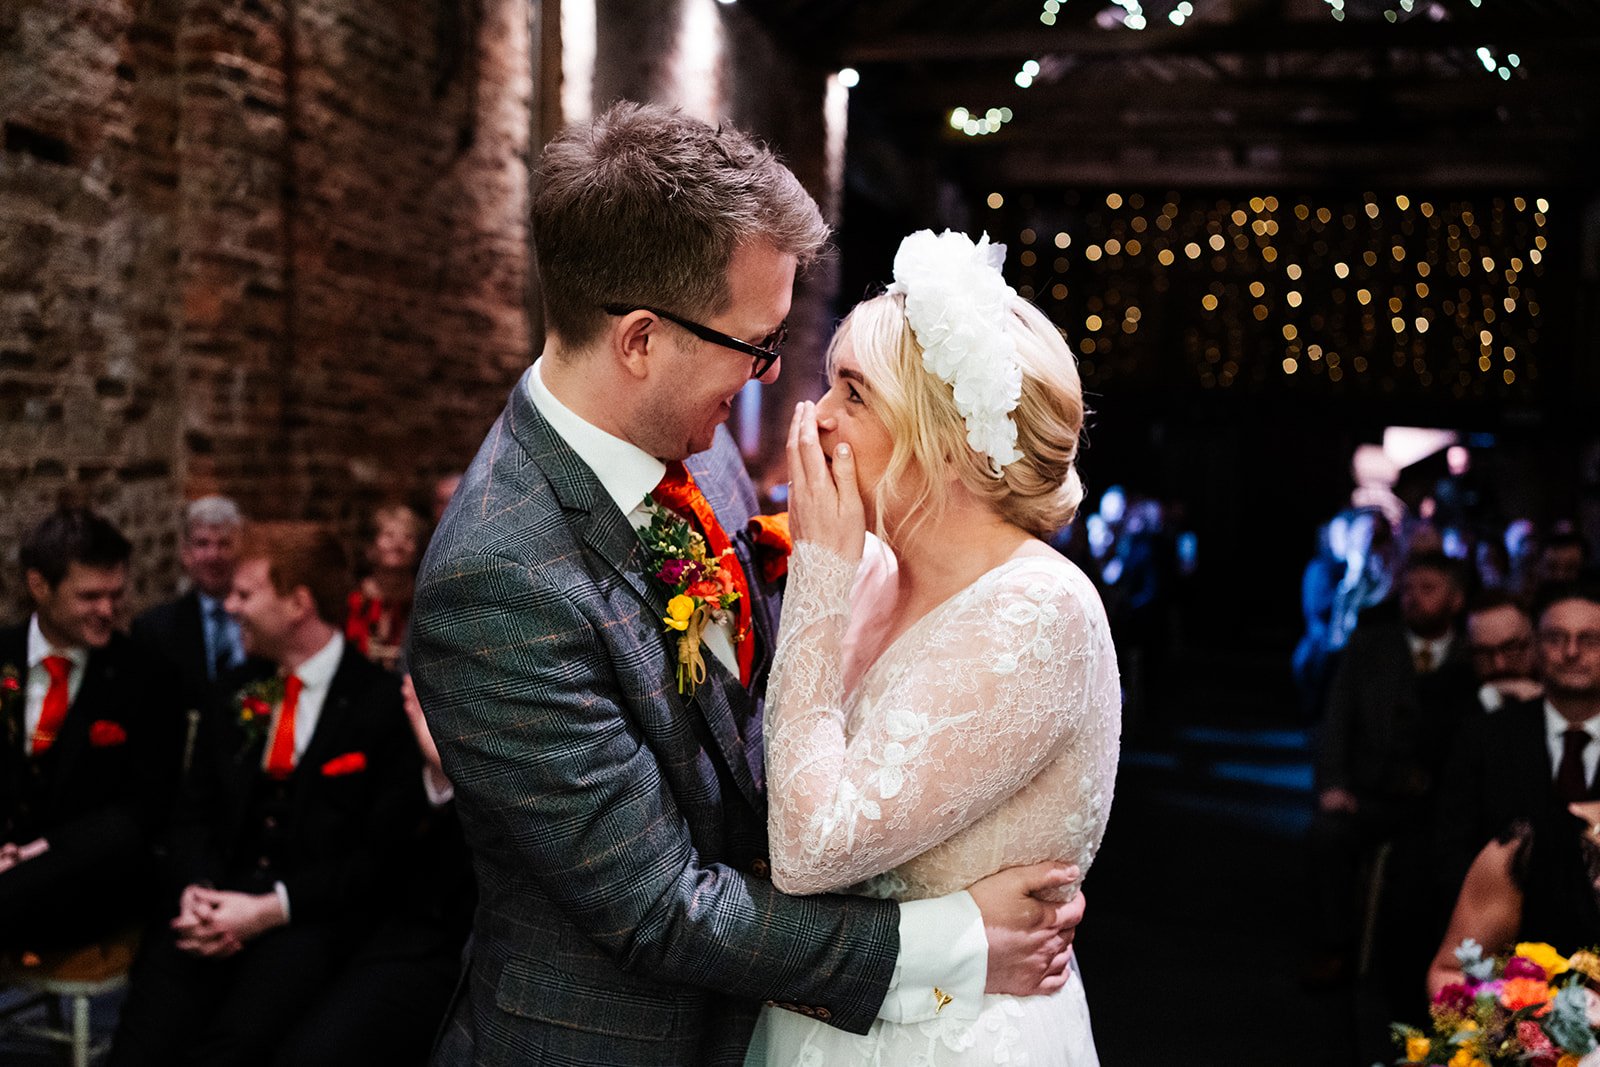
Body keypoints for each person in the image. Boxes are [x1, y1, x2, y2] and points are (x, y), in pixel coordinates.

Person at [408, 102, 1083, 1067]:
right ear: (641, 339)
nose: (770, 378)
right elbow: (662, 906)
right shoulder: (497, 579)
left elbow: (760, 721)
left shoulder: (700, 448)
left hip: (765, 1022)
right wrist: (962, 939)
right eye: (755, 343)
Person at [750, 229, 1119, 1065]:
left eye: (854, 391)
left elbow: (811, 851)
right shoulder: (873, 569)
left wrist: (816, 573)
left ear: (942, 436)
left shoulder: (1040, 611)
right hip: (825, 1013)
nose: (820, 417)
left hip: (955, 1037)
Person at [109, 523, 423, 1067]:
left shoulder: (378, 705)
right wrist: (195, 888)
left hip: (308, 920)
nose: (229, 606)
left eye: (244, 594)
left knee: (234, 1047)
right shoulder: (233, 690)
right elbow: (192, 814)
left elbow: (380, 860)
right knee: (145, 1035)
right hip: (214, 903)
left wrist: (268, 909)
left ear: (298, 602)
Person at [1, 508, 169, 950]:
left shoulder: (144, 674)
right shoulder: (3, 657)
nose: (108, 611)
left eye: (116, 594)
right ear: (39, 586)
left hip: (88, 879)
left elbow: (147, 808)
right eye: (90, 597)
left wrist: (40, 853)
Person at [1435, 582, 1600, 907]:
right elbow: (1451, 852)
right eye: (1555, 638)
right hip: (1504, 931)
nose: (1571, 652)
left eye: (1589, 640)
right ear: (1536, 648)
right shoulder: (1485, 736)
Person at [132, 496, 253, 757]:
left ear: (241, 550)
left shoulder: (260, 621)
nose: (213, 555)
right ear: (185, 554)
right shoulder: (155, 630)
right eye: (202, 544)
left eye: (224, 544)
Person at [345, 504, 426, 672]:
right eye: (389, 535)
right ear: (370, 547)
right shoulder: (350, 600)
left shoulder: (424, 600)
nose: (398, 544)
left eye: (408, 537)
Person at [1463, 590, 1541, 713]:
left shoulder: (1561, 689)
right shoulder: (1449, 698)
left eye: (1510, 649)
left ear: (1534, 642)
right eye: (1484, 652)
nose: (1499, 665)